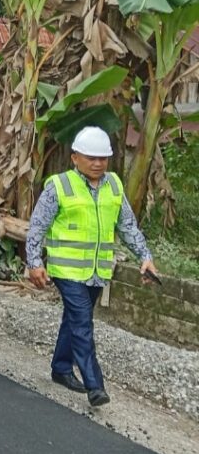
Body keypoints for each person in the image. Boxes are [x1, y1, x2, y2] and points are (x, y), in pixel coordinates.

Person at [26, 126, 159, 408]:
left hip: (98, 271)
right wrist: (35, 262)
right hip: (66, 271)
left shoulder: (113, 185)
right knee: (83, 322)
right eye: (91, 157)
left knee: (74, 321)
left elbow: (127, 226)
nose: (98, 163)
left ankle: (61, 368)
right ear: (75, 157)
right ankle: (94, 385)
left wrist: (144, 256)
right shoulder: (59, 185)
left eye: (103, 158)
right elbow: (38, 226)